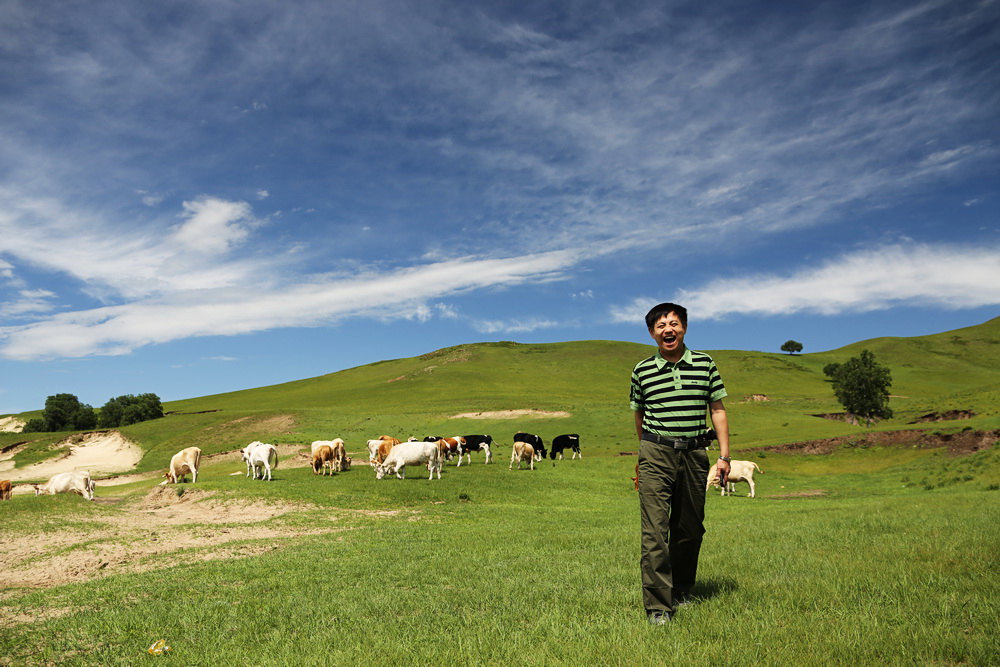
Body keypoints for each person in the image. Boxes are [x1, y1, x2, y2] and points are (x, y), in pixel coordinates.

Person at [629, 302, 731, 625]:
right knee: (655, 532)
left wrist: (725, 455)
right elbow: (639, 416)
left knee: (689, 529)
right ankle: (659, 607)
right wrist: (644, 453)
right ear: (651, 333)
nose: (668, 330)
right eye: (660, 326)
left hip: (695, 454)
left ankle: (682, 589)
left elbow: (717, 409)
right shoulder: (641, 371)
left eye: (673, 324)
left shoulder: (705, 364)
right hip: (656, 454)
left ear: (684, 327)